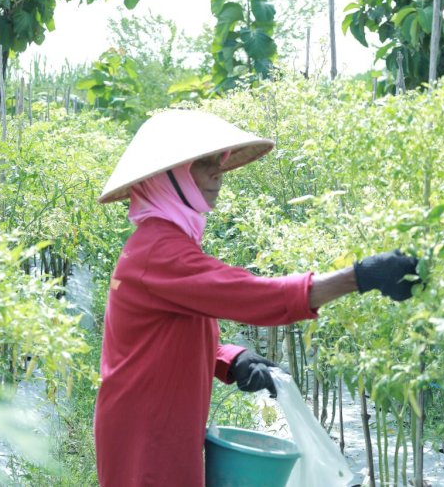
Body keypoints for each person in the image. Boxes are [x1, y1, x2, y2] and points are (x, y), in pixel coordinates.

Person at [93, 109, 419, 486]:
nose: (218, 172)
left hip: (152, 414)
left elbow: (161, 333)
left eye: (220, 161)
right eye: (203, 163)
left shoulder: (160, 241)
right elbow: (250, 295)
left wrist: (230, 357)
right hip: (148, 428)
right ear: (169, 178)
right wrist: (358, 277)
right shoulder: (160, 250)